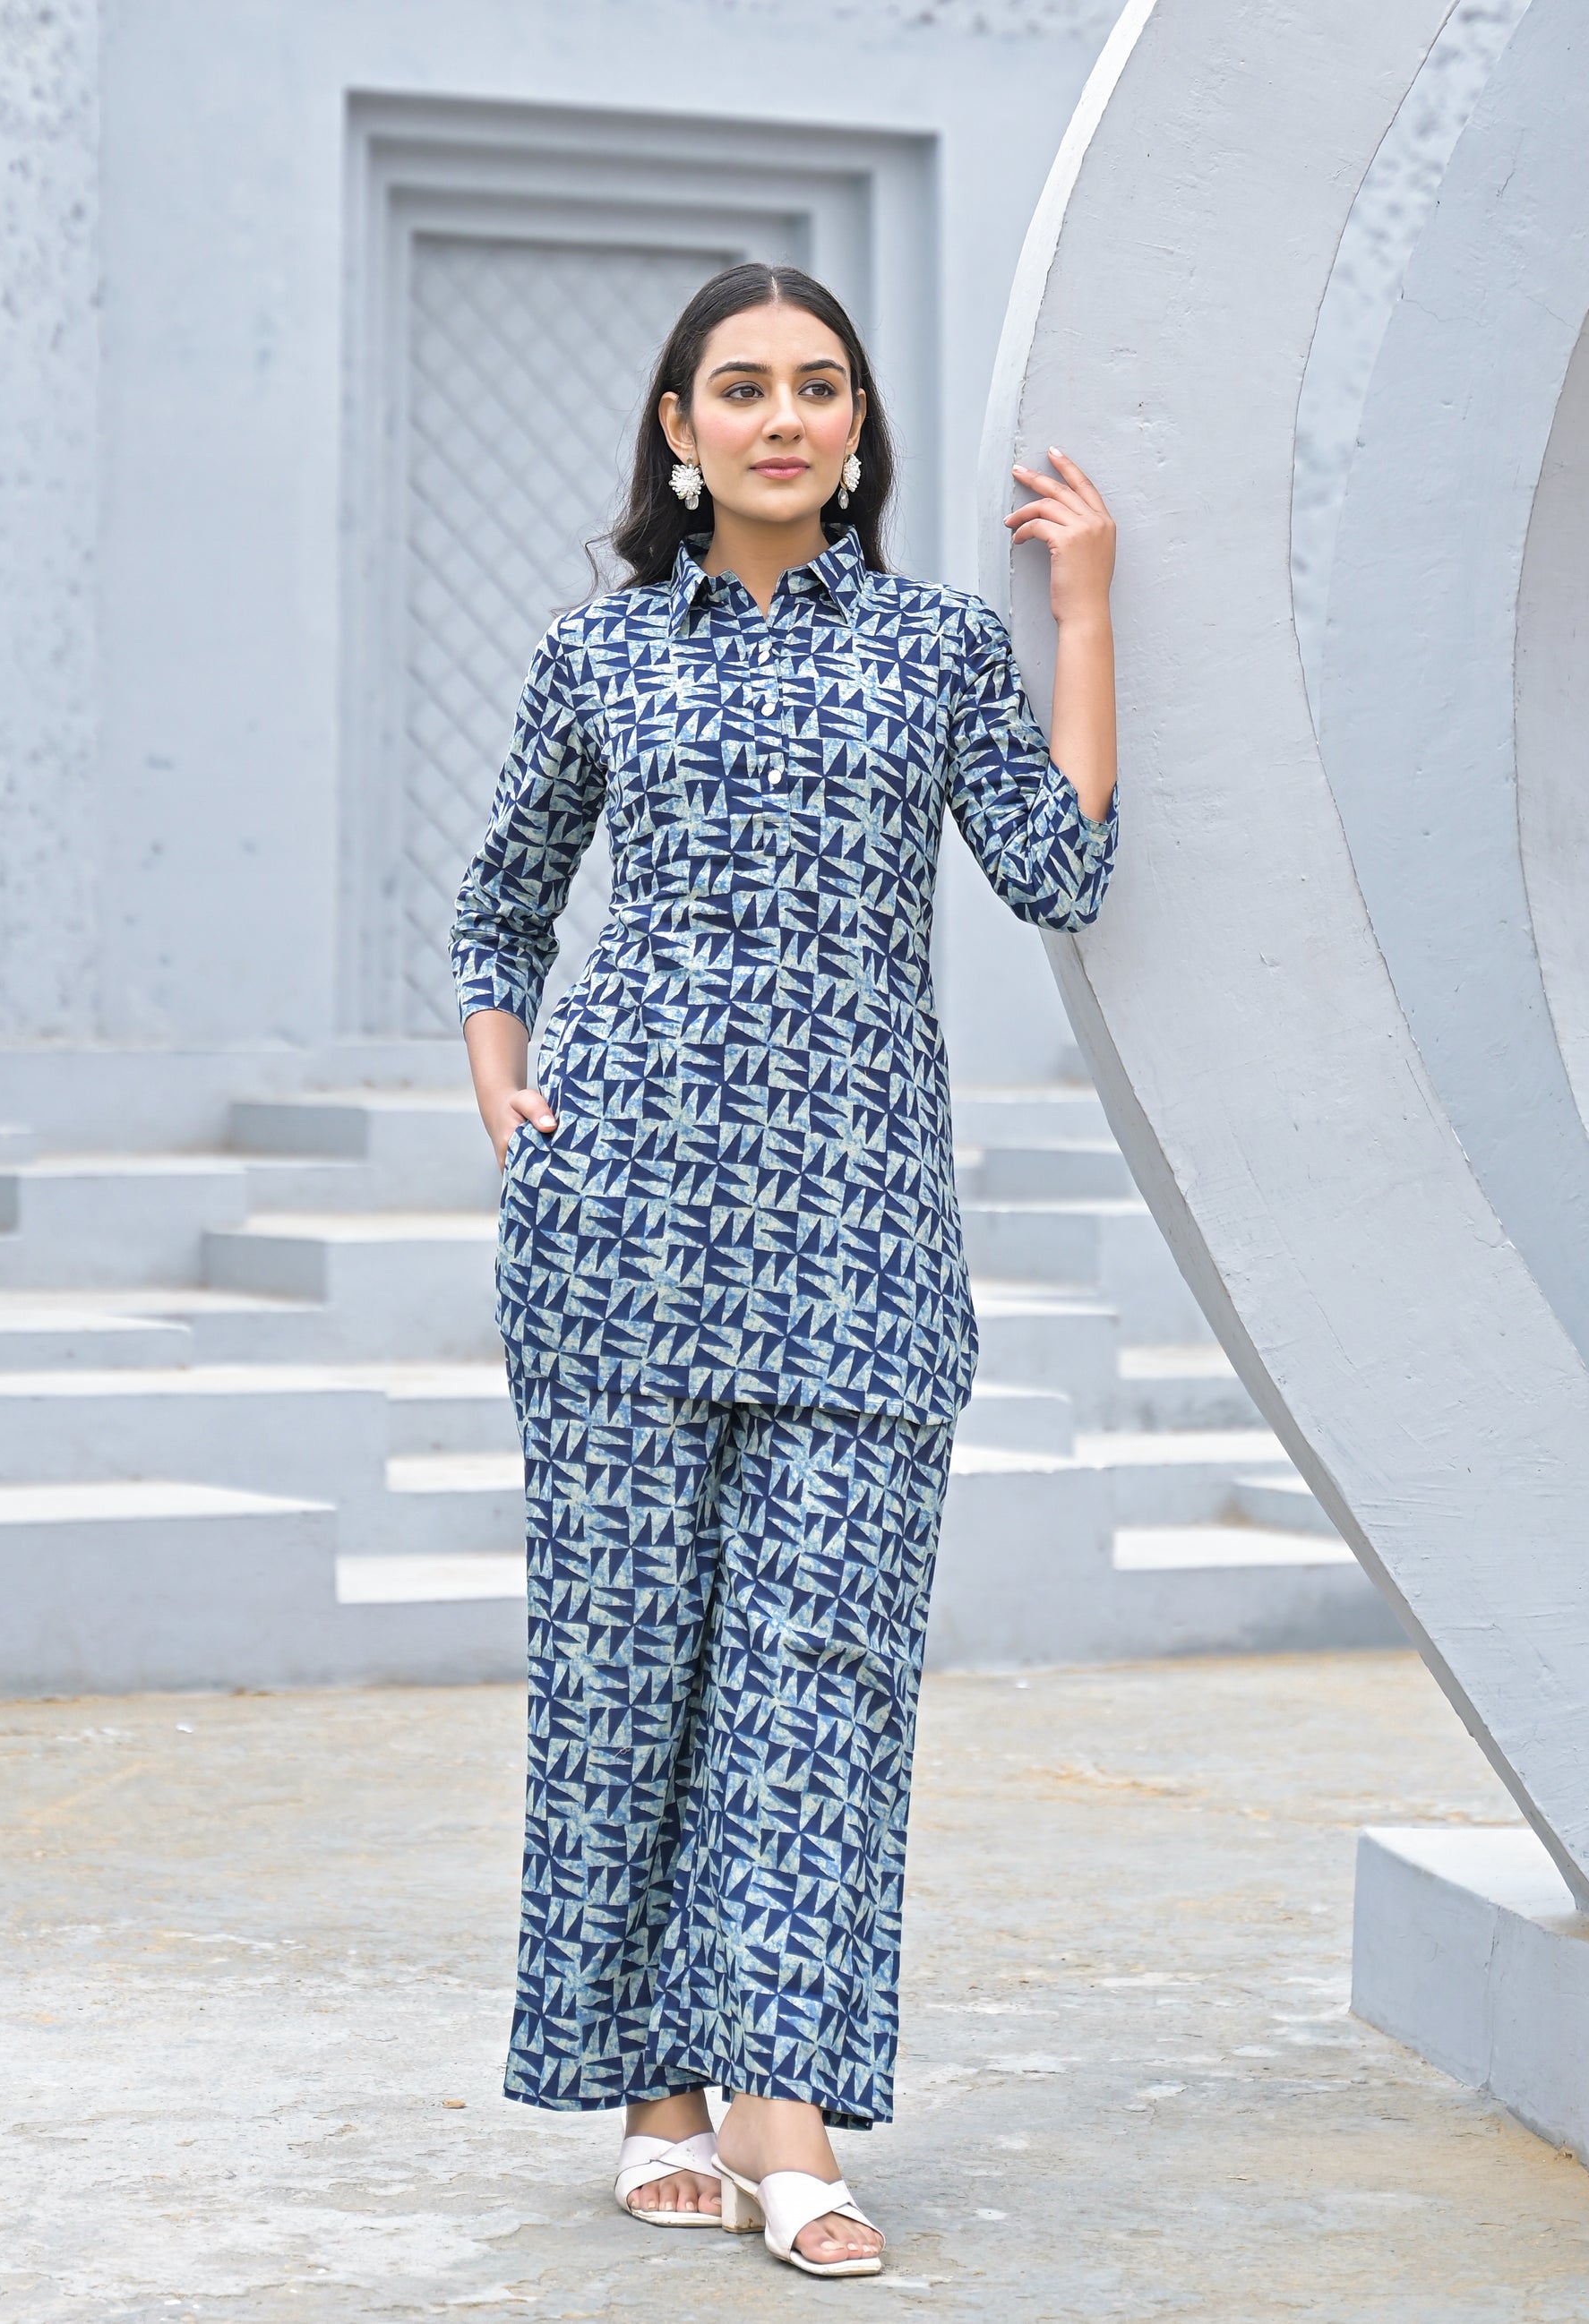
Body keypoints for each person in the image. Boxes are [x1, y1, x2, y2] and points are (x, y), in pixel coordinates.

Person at [448, 261, 1117, 2282]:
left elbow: (1061, 867)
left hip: (860, 1243)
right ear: (679, 429)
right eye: (739, 388)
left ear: (855, 428)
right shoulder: (597, 655)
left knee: (819, 1679)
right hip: (619, 1233)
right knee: (627, 1673)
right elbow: (500, 904)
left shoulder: (934, 647)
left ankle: (779, 2104)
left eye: (818, 386)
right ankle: (657, 2091)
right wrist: (505, 1091)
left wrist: (1084, 611)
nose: (782, 418)